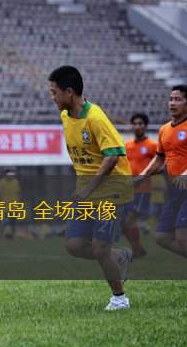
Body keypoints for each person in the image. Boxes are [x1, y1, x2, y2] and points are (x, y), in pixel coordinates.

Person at [48, 65, 133, 311]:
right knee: (74, 245)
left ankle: (120, 298)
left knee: (100, 248)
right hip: (87, 191)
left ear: (69, 92)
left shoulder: (96, 118)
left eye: (54, 92)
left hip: (111, 191)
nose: (52, 98)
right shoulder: (66, 117)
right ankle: (120, 256)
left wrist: (88, 189)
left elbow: (113, 156)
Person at [136, 85, 187, 288]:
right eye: (171, 98)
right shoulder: (164, 130)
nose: (172, 103)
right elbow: (159, 158)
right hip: (175, 190)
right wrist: (143, 175)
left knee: (182, 236)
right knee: (162, 237)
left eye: (178, 99)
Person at [123, 113, 157, 257]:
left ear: (145, 126)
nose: (137, 126)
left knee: (130, 219)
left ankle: (137, 249)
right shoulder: (127, 145)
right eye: (135, 124)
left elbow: (162, 164)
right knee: (123, 222)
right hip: (127, 189)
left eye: (140, 123)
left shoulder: (152, 145)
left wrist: (145, 175)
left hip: (142, 189)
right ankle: (138, 249)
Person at [0, 169, 22, 239]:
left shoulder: (15, 182)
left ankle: (13, 236)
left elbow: (18, 192)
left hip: (14, 205)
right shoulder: (2, 182)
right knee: (3, 221)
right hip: (5, 206)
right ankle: (1, 236)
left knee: (13, 222)